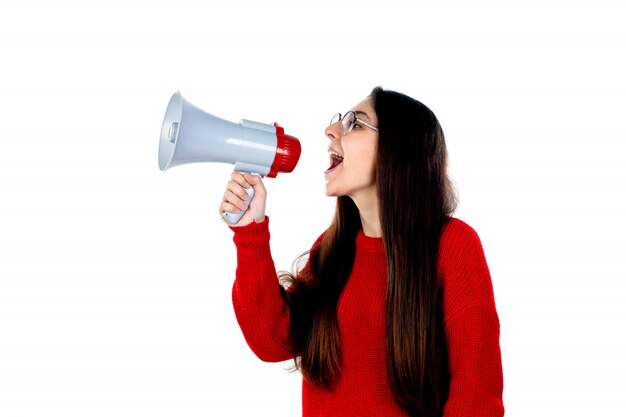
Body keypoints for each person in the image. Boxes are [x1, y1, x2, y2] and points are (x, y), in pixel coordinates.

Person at [218, 87, 504, 417]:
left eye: (355, 124)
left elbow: (476, 399)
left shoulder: (453, 246)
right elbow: (272, 340)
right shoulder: (331, 249)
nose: (331, 130)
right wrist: (250, 232)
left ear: (397, 149)